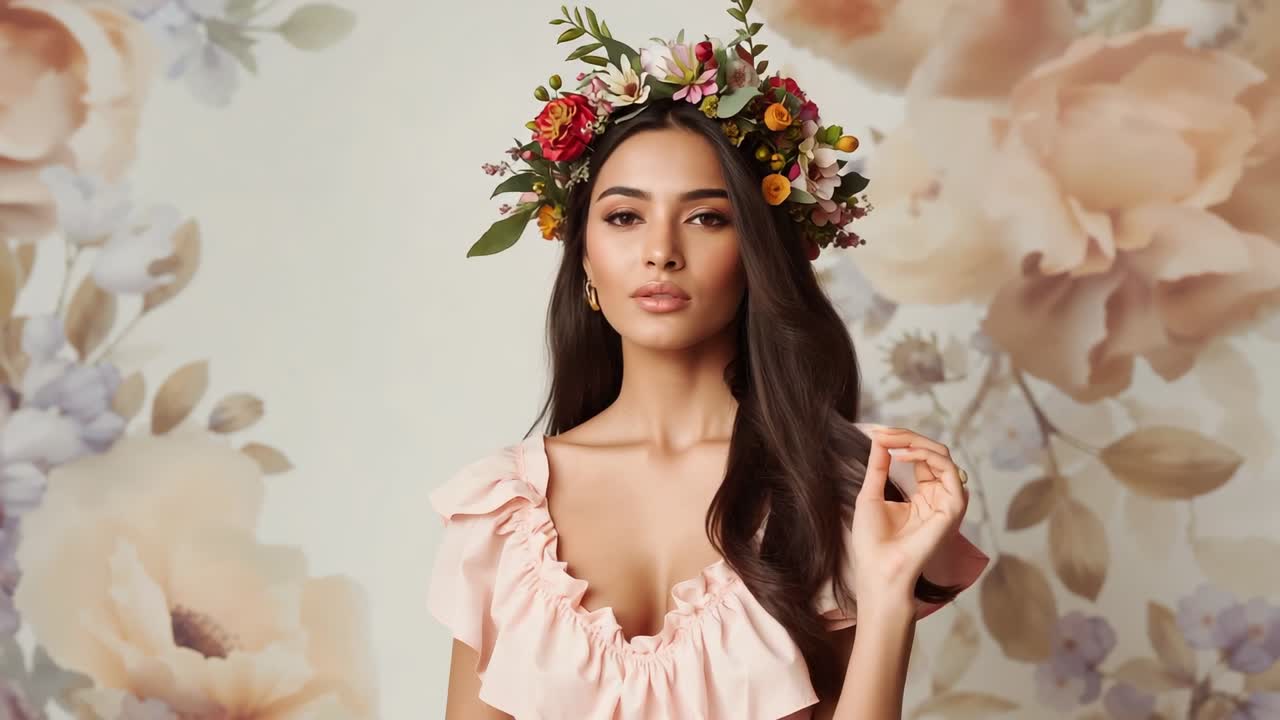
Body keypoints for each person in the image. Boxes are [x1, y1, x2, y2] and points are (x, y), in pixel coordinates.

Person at [428, 5, 990, 718]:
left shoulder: (838, 496)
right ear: (585, 261)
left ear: (755, 256)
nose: (661, 251)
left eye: (706, 217)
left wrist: (887, 600)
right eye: (625, 216)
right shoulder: (501, 512)